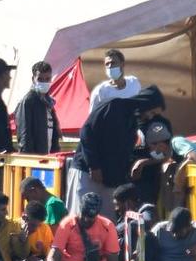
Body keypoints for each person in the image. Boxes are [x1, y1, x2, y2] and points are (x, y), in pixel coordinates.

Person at [69, 86, 163, 218]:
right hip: (87, 173)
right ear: (146, 103)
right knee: (81, 220)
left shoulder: (133, 122)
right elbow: (86, 131)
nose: (150, 117)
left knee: (106, 224)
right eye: (151, 112)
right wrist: (94, 166)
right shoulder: (113, 106)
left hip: (109, 181)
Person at [15, 61, 59, 155]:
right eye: (40, 79)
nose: (44, 82)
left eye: (47, 79)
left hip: (48, 157)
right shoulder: (28, 101)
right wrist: (29, 160)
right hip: (34, 159)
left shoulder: (49, 102)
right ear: (33, 79)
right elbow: (24, 135)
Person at [87, 49, 140, 113]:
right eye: (107, 64)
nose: (109, 66)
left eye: (113, 63)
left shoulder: (133, 82)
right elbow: (92, 117)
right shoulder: (100, 91)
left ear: (122, 64)